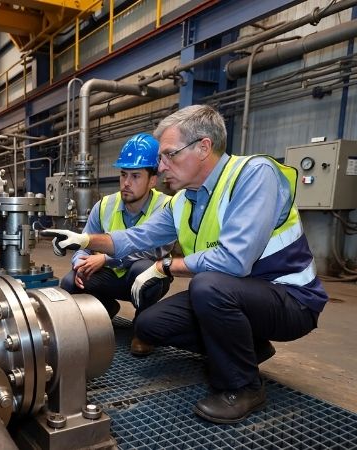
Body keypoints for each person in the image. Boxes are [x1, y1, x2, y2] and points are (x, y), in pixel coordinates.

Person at [42, 105, 326, 425]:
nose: (161, 166)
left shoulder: (254, 175)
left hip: (291, 299)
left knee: (207, 286)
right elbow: (137, 237)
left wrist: (165, 266)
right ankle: (249, 347)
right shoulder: (184, 200)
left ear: (203, 147)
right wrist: (84, 240)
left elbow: (234, 261)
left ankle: (243, 387)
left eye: (169, 155)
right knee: (149, 325)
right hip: (236, 295)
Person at [58, 133, 173, 356]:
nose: (126, 183)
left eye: (135, 176)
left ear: (152, 180)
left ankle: (143, 330)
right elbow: (84, 242)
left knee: (145, 269)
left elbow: (153, 250)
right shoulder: (104, 205)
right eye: (123, 174)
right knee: (71, 281)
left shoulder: (166, 207)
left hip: (141, 277)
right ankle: (103, 308)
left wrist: (105, 258)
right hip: (111, 277)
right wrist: (79, 262)